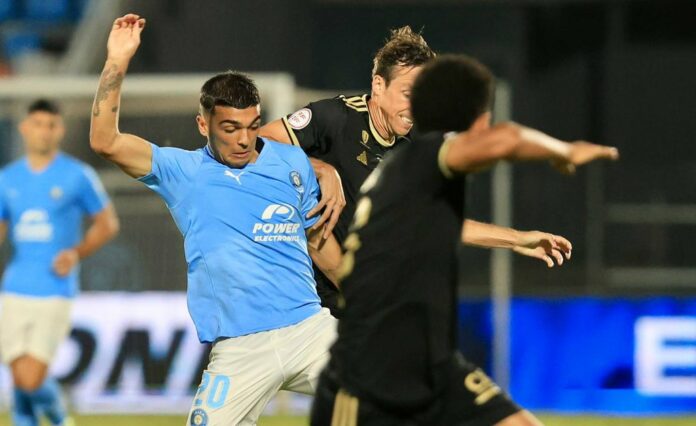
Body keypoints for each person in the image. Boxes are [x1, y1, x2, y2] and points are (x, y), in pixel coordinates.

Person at [310, 55, 619, 425]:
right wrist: (563, 150)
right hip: (371, 375)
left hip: (432, 366)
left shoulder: (410, 174)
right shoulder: (421, 159)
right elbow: (507, 139)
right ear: (479, 120)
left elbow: (452, 226)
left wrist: (518, 240)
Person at [89, 14, 343, 425]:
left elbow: (319, 243)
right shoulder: (183, 172)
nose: (244, 139)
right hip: (240, 348)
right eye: (230, 128)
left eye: (252, 126)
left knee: (396, 397)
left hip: (309, 331)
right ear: (202, 124)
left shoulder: (291, 163)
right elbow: (105, 141)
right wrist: (117, 61)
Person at [0, 99, 119, 426]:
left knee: (30, 379)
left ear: (60, 130)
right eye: (37, 124)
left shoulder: (77, 175)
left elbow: (107, 224)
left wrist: (75, 253)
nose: (44, 131)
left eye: (50, 125)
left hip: (54, 289)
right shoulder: (7, 179)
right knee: (20, 383)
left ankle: (60, 419)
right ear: (25, 128)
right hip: (14, 288)